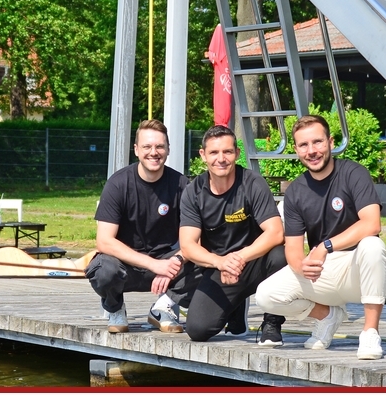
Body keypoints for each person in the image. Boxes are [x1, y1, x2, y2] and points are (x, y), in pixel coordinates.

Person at [254, 115, 386, 359]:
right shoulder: (295, 191)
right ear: (296, 150)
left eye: (317, 142)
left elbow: (372, 223)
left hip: (356, 270)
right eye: (303, 145)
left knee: (373, 245)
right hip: (322, 272)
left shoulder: (353, 173)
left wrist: (325, 246)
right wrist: (302, 266)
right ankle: (327, 316)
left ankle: (370, 332)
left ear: (330, 142)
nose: (312, 151)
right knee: (265, 296)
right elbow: (293, 249)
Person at [179, 125, 288, 345]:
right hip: (219, 268)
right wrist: (220, 263)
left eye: (227, 152)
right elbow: (188, 245)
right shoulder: (193, 192)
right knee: (197, 330)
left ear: (237, 153)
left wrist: (238, 258)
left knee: (280, 255)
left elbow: (276, 232)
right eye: (214, 152)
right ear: (203, 155)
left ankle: (272, 322)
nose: (221, 159)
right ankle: (236, 305)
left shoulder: (253, 183)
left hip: (255, 261)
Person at [87, 119, 193, 333]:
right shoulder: (118, 184)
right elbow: (104, 241)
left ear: (168, 149)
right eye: (147, 147)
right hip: (125, 265)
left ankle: (163, 307)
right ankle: (115, 307)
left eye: (160, 146)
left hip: (167, 262)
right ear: (136, 150)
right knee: (103, 269)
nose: (154, 152)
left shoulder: (182, 185)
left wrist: (174, 261)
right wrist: (154, 265)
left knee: (209, 258)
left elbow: (195, 238)